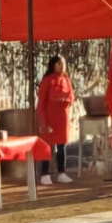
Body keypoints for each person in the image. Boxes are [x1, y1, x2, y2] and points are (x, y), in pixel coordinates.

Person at [36, 54, 74, 186]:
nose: (61, 66)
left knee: (61, 145)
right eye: (58, 63)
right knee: (47, 146)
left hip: (63, 118)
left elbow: (71, 96)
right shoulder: (47, 80)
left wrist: (65, 101)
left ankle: (61, 173)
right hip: (49, 118)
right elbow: (41, 102)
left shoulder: (66, 79)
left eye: (63, 63)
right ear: (53, 65)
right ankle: (45, 174)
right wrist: (43, 122)